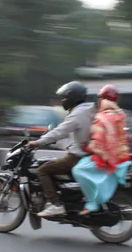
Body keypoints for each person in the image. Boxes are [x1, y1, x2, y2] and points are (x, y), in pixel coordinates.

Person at [27, 81, 95, 217]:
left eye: (64, 98)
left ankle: (55, 204)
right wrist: (57, 143)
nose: (63, 101)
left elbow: (60, 131)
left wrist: (38, 142)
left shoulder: (77, 114)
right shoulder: (87, 110)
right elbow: (75, 136)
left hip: (76, 158)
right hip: (87, 155)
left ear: (72, 98)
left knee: (43, 170)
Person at [72, 84, 132, 216]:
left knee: (78, 170)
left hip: (107, 159)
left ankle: (92, 202)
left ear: (101, 99)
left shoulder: (102, 118)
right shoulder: (119, 116)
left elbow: (98, 144)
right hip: (121, 157)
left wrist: (86, 147)